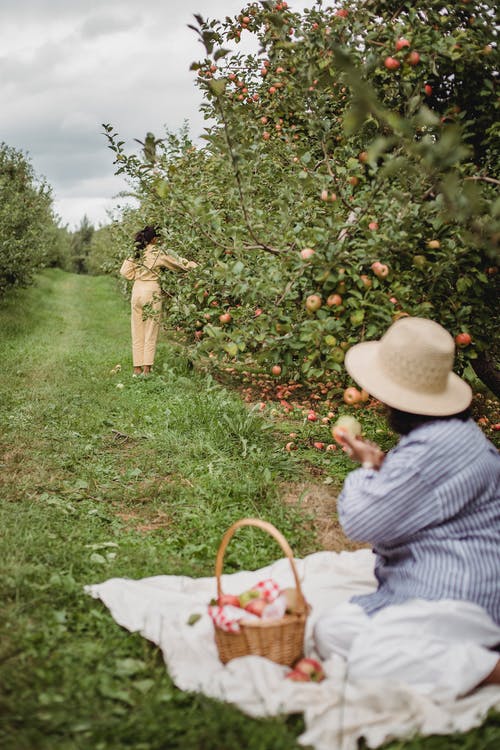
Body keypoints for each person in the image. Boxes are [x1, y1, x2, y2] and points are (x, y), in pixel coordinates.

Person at [314, 316, 500, 701]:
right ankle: (460, 653)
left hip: (458, 594)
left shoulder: (431, 449)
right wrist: (382, 465)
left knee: (368, 663)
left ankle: (487, 667)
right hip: (460, 581)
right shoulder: (451, 435)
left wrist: (367, 468)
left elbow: (360, 521)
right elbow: (423, 492)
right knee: (332, 631)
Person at [120, 226, 197, 376]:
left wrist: (135, 275)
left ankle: (136, 369)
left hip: (137, 291)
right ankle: (147, 369)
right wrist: (195, 266)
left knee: (137, 330)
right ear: (154, 239)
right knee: (150, 330)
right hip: (151, 291)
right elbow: (178, 264)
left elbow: (124, 271)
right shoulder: (158, 253)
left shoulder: (137, 251)